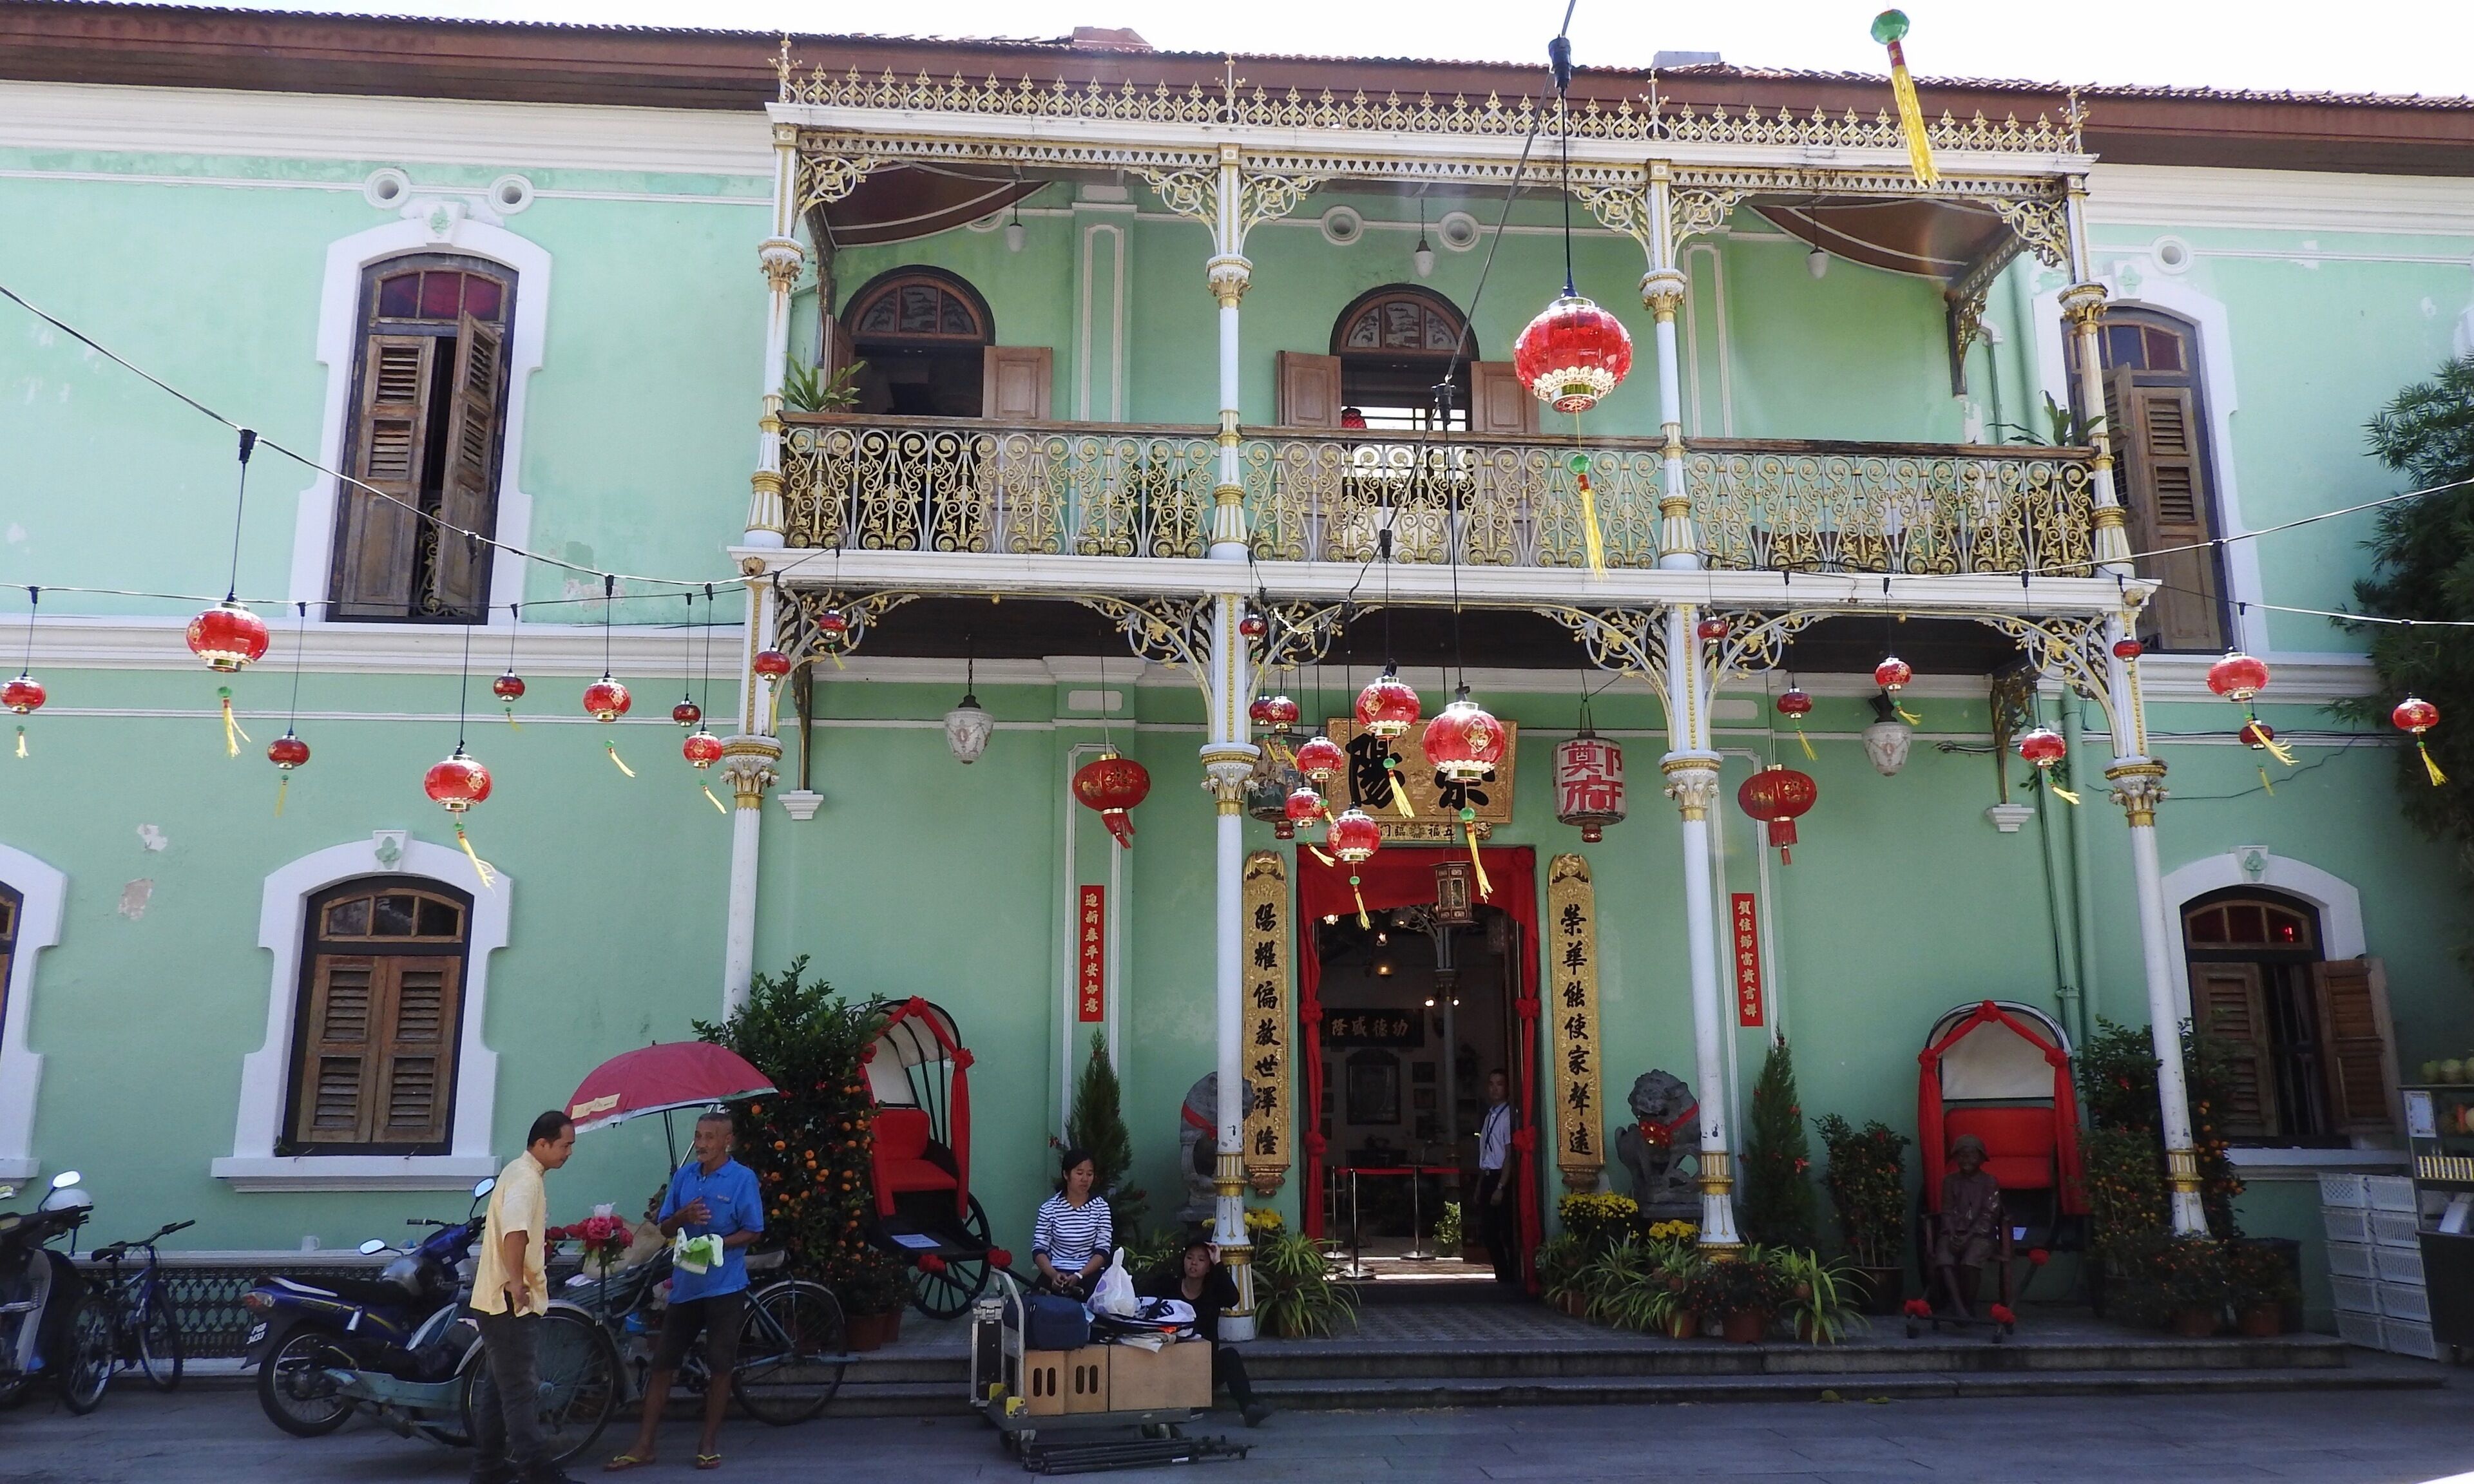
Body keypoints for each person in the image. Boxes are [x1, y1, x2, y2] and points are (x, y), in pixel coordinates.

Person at [608, 1108, 764, 1472]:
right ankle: (644, 1445)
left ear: (727, 1141)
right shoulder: (684, 1177)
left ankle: (708, 1444)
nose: (702, 1144)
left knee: (720, 1366)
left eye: (710, 1137)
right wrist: (682, 1217)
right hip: (686, 1286)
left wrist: (719, 1242)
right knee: (663, 1364)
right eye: (698, 1136)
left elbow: (754, 1230)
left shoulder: (742, 1179)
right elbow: (664, 1228)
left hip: (725, 1286)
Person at [470, 1110, 580, 1484]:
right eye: (565, 1145)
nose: (568, 1153)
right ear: (542, 1144)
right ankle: (538, 1470)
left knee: (497, 1390)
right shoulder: (526, 1179)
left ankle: (488, 1468)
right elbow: (515, 1233)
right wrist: (517, 1283)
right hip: (508, 1302)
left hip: (494, 1299)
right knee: (519, 1391)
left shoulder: (520, 1173)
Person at [1138, 1236, 1271, 1427]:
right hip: (1171, 1363)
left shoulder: (1213, 1292)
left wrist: (1218, 1262)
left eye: (1201, 1260)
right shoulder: (1168, 1286)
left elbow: (1233, 1298)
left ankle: (1249, 1408)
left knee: (1229, 1356)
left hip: (1204, 1365)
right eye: (1190, 1258)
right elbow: (1142, 1301)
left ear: (1208, 1267)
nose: (1194, 1263)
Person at [1933, 1133, 2004, 1319]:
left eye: (1972, 1155)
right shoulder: (1949, 1181)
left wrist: (1969, 1236)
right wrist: (1951, 1233)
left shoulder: (1989, 1182)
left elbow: (1989, 1214)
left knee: (1970, 1262)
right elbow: (1947, 1211)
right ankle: (1958, 1307)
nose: (1966, 1160)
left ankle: (1968, 1304)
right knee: (1944, 1257)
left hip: (1980, 1235)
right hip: (1953, 1233)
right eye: (1962, 1155)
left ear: (1981, 1158)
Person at [1031, 1146, 1112, 1300]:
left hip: (1089, 1273)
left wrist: (1079, 1275)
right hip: (1056, 1271)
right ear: (1066, 1175)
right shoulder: (1050, 1208)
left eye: (1089, 1174)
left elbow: (1102, 1250)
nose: (1085, 1179)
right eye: (1079, 1173)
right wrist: (1053, 1274)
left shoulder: (1101, 1207)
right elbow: (1039, 1249)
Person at [1473, 1069, 1517, 1285]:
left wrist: (1501, 1186)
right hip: (1489, 1176)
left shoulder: (1509, 1116)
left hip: (1502, 1177)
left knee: (1506, 1230)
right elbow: (1486, 1153)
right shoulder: (1489, 1116)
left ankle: (1512, 1276)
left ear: (1507, 1087)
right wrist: (1480, 1184)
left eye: (1499, 1084)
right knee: (1488, 1231)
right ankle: (1502, 1275)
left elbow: (1509, 1154)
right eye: (1491, 1084)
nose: (1494, 1089)